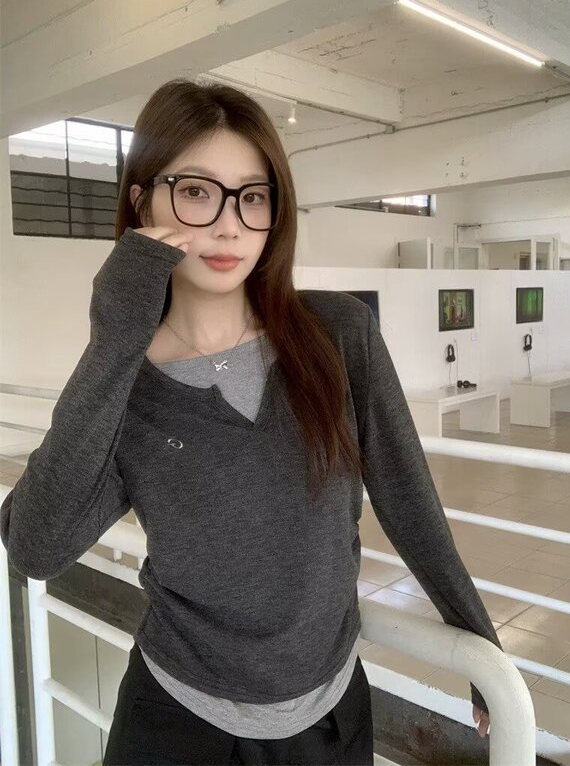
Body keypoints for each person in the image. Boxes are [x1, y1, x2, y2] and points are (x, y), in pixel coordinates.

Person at [1, 78, 498, 765]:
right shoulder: (127, 385)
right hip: (177, 727)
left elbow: (407, 495)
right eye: (196, 191)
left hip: (330, 724)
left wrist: (476, 637)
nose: (229, 225)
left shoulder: (338, 333)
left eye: (253, 196)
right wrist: (116, 333)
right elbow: (35, 546)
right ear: (143, 202)